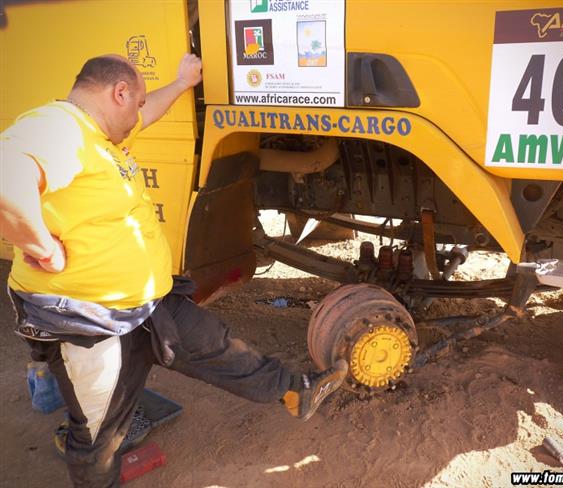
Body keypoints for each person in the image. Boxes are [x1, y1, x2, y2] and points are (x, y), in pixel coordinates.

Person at [0, 53, 348, 487]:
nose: (139, 117)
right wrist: (39, 246)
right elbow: (5, 176)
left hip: (146, 302)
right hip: (90, 321)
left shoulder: (100, 134)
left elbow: (149, 109)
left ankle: (294, 391)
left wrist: (183, 83)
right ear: (118, 92)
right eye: (136, 104)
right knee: (98, 436)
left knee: (215, 344)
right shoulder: (57, 128)